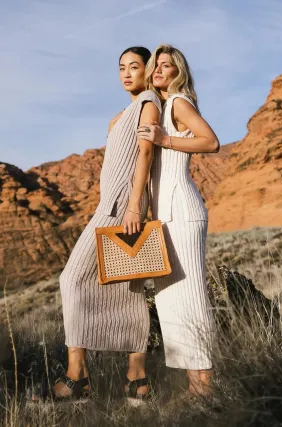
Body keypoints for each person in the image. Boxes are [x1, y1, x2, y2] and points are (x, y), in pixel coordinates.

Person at [50, 46, 161, 401]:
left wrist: (133, 207)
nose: (126, 73)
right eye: (121, 68)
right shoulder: (128, 111)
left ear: (149, 69)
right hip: (110, 205)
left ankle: (77, 376)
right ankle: (136, 378)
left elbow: (145, 152)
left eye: (134, 66)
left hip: (119, 208)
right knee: (126, 290)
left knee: (73, 278)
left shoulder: (148, 103)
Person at [137, 44, 219, 396]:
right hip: (166, 214)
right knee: (171, 299)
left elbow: (211, 142)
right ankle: (193, 385)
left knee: (191, 296)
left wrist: (164, 139)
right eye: (156, 64)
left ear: (178, 72)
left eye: (166, 65)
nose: (158, 69)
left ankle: (206, 386)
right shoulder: (160, 105)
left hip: (183, 211)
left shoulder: (178, 103)